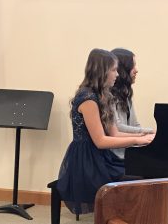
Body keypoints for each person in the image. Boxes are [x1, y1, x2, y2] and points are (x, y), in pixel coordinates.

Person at [57, 48, 154, 215]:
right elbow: (101, 141)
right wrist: (136, 141)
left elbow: (114, 133)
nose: (117, 74)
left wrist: (143, 136)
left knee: (143, 173)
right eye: (114, 70)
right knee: (136, 179)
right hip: (87, 160)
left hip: (101, 157)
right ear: (102, 71)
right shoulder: (87, 99)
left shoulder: (104, 95)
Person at [111, 48, 155, 159]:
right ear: (122, 69)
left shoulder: (126, 93)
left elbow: (135, 125)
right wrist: (149, 132)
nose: (136, 70)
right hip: (114, 156)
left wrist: (149, 136)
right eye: (133, 66)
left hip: (128, 153)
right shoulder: (109, 95)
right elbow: (118, 127)